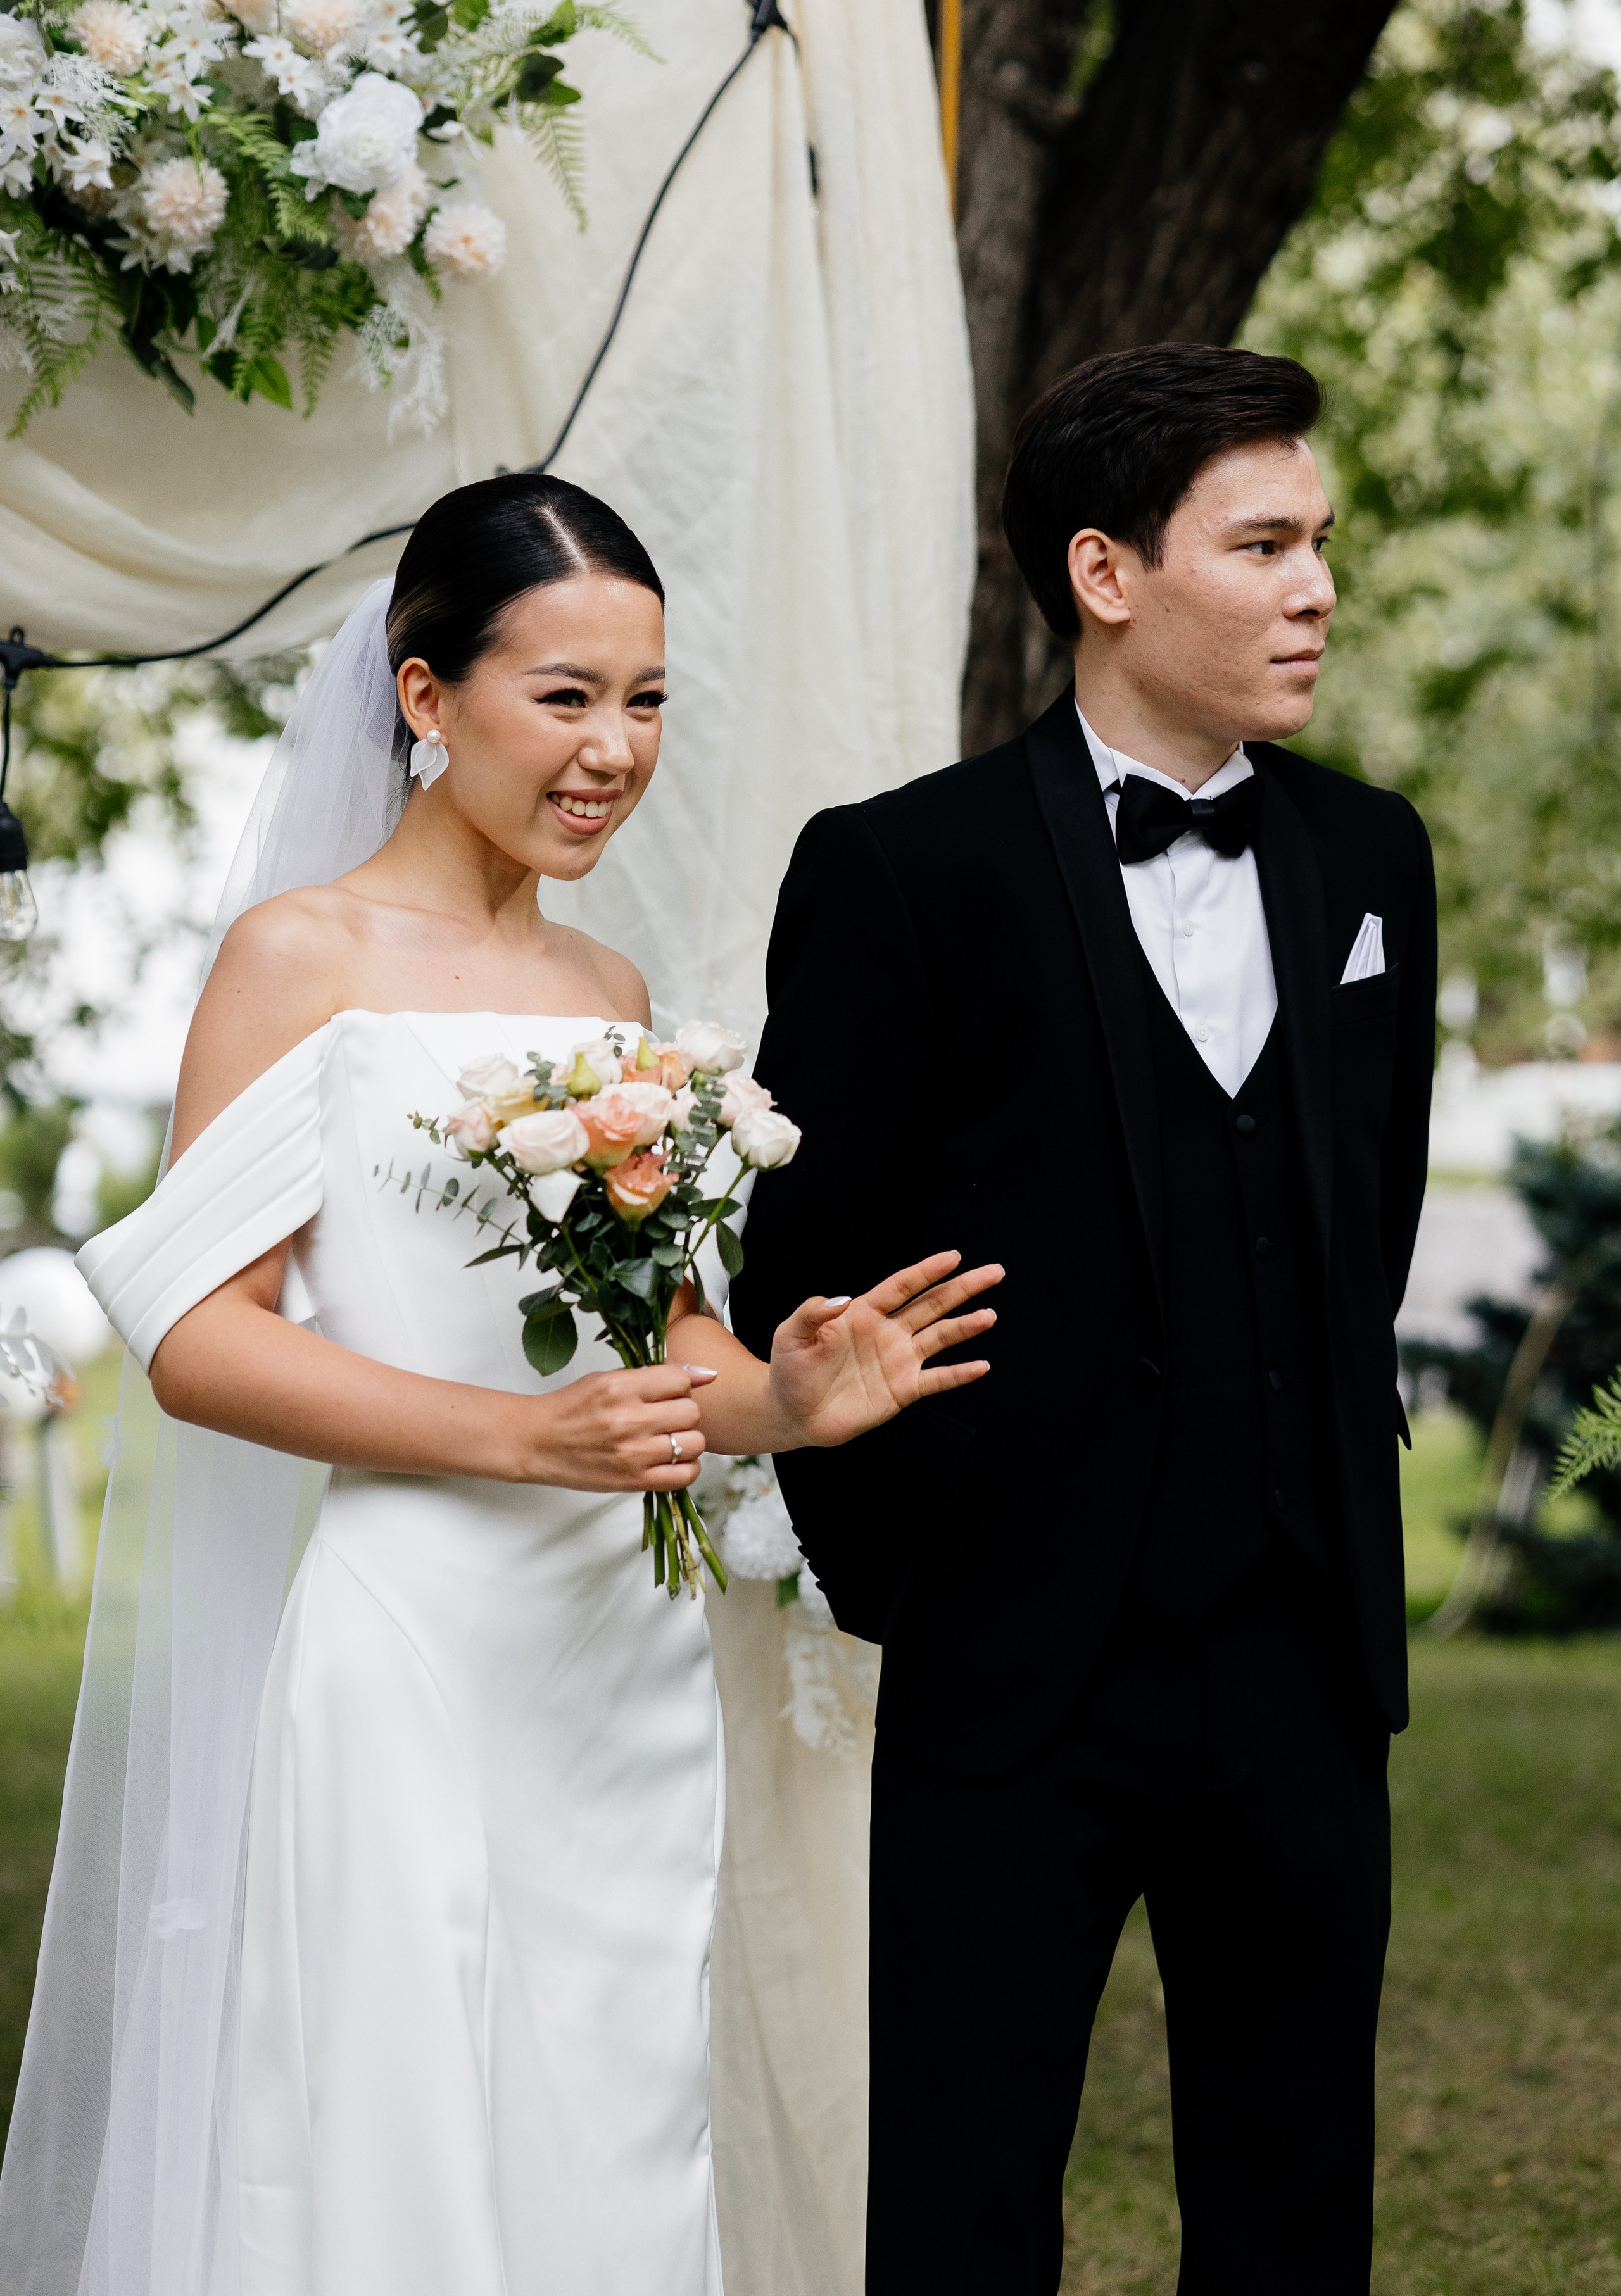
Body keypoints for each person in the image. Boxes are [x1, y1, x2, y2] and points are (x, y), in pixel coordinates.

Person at [0, 473, 1000, 2296]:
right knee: (399, 2119)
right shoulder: (300, 960)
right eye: (567, 696)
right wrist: (517, 1438)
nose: (615, 749)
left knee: (611, 2116)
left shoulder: (609, 983)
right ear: (425, 694)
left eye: (648, 700)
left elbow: (663, 1348)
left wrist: (784, 1401)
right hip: (415, 1638)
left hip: (619, 1658)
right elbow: (196, 1336)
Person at [732, 344, 1438, 2294]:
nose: (1316, 590)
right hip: (1017, 1661)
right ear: (1106, 574)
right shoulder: (902, 869)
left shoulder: (1372, 856)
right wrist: (931, 1580)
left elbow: (1364, 1217)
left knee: (1299, 2194)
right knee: (963, 2207)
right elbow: (803, 1291)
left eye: (1321, 545)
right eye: (1265, 545)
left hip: (1302, 1650)